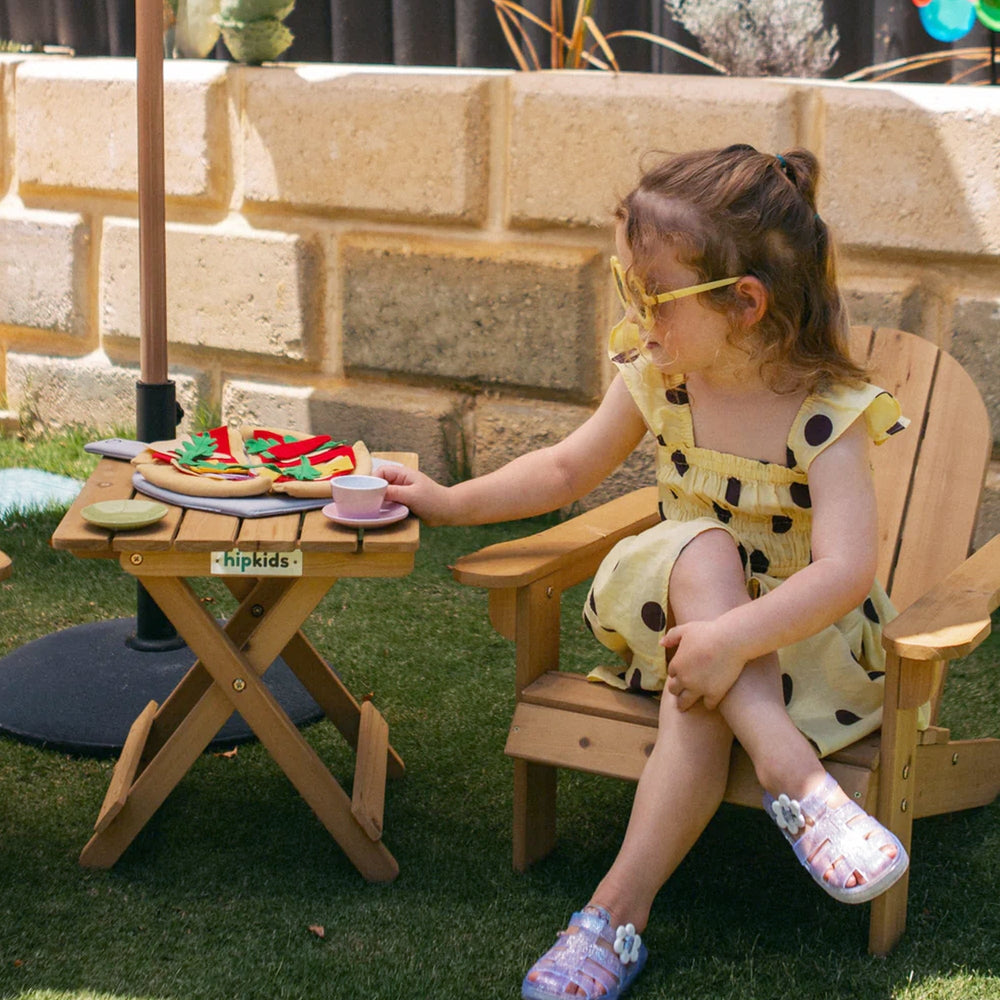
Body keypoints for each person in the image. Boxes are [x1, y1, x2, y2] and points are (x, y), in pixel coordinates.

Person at [380, 144, 912, 1000]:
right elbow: (559, 473)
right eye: (631, 287)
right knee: (699, 551)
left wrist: (731, 641)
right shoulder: (657, 380)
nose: (635, 312)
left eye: (651, 293)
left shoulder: (829, 417)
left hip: (793, 648)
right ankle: (798, 781)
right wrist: (443, 501)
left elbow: (846, 572)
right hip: (667, 610)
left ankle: (613, 919)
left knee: (701, 687)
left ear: (744, 303)